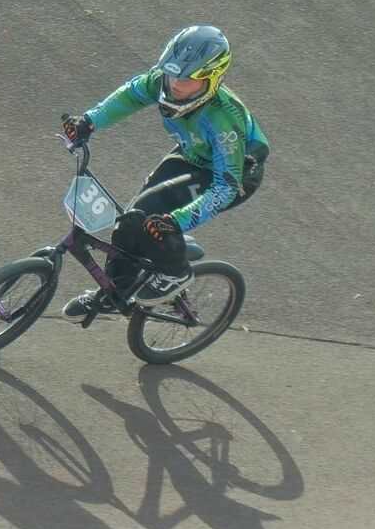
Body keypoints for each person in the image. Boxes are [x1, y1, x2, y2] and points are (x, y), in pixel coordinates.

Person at [59, 25, 270, 317]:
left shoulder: (224, 122)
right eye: (172, 75)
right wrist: (89, 122)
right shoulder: (163, 81)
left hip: (230, 176)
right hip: (191, 153)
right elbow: (129, 97)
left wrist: (177, 221)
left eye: (187, 80)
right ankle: (114, 290)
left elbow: (225, 188)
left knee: (155, 221)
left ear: (212, 78)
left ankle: (176, 272)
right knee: (129, 221)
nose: (175, 85)